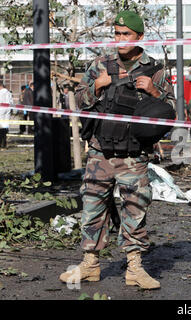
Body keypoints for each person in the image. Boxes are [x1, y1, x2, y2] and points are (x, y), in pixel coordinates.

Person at [59, 10, 176, 290]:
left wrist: (154, 92)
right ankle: (90, 264)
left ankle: (135, 268)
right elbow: (76, 101)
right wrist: (97, 87)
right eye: (117, 34)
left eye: (126, 34)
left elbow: (171, 111)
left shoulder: (154, 69)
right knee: (91, 206)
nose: (120, 39)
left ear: (139, 37)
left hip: (133, 155)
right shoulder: (101, 64)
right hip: (100, 151)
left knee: (134, 209)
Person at [0, 81, 13, 149]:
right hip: (8, 110)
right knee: (5, 128)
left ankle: (1, 143)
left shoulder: (0, 92)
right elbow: (11, 102)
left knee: (0, 128)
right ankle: (4, 143)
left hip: (1, 110)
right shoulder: (8, 92)